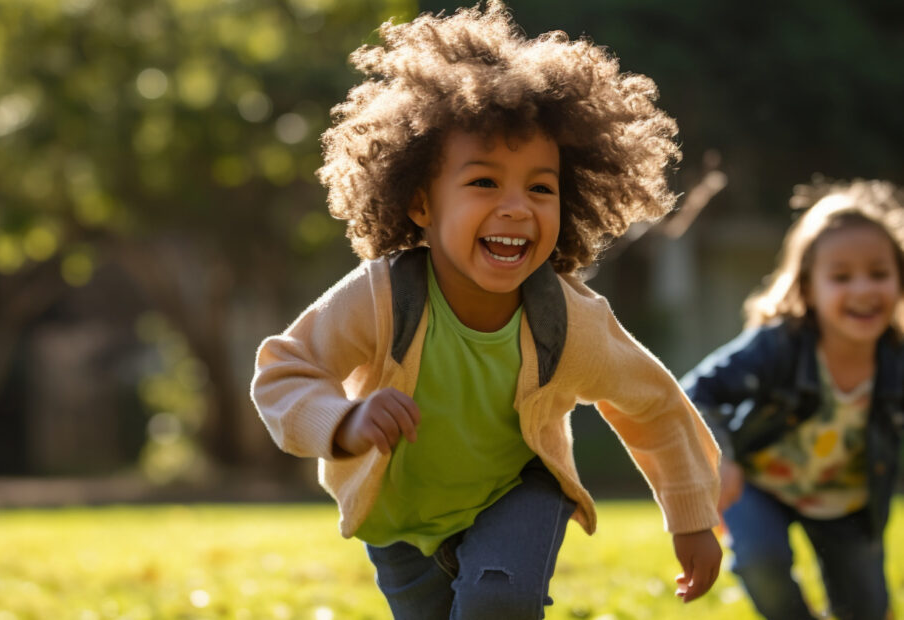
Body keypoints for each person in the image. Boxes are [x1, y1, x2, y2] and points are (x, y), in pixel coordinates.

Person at [251, 2, 722, 617]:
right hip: (402, 517)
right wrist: (342, 420)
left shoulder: (568, 321)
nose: (516, 208)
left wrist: (689, 515)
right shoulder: (383, 297)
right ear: (420, 203)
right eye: (483, 183)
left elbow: (653, 403)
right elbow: (284, 371)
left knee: (498, 600)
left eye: (540, 188)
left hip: (518, 488)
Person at [681, 179, 904, 620]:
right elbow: (694, 392)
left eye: (878, 274)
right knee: (762, 566)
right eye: (841, 277)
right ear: (807, 286)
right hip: (760, 485)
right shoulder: (778, 345)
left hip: (849, 501)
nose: (862, 290)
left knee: (867, 609)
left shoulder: (896, 360)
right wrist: (719, 457)